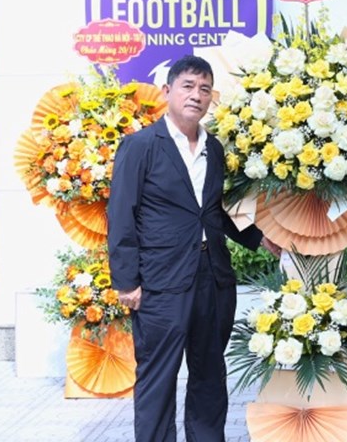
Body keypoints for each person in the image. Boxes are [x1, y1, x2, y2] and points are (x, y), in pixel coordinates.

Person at [108, 55, 280, 442]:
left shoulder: (213, 148)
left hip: (212, 279)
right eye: (188, 86)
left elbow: (215, 211)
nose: (196, 95)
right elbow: (121, 214)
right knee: (157, 377)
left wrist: (259, 238)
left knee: (209, 374)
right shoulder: (140, 146)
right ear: (167, 91)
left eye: (204, 89)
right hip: (160, 283)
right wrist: (126, 281)